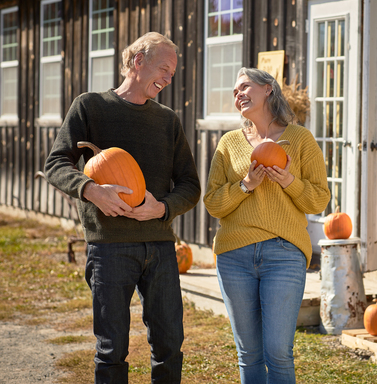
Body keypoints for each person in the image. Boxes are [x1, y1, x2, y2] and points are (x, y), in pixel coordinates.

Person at [44, 32, 201, 383]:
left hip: (160, 247)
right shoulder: (90, 106)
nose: (168, 78)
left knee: (170, 344)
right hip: (109, 248)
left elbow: (190, 186)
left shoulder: (167, 121)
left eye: (172, 73)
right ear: (137, 61)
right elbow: (56, 164)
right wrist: (91, 190)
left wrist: (161, 208)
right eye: (163, 68)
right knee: (111, 348)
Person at [203, 67, 330, 383]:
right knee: (249, 354)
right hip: (234, 257)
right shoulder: (229, 144)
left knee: (278, 352)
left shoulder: (299, 139)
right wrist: (246, 184)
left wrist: (289, 181)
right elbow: (213, 203)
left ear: (268, 89)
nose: (239, 94)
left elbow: (318, 201)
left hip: (284, 255)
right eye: (235, 92)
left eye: (245, 86)